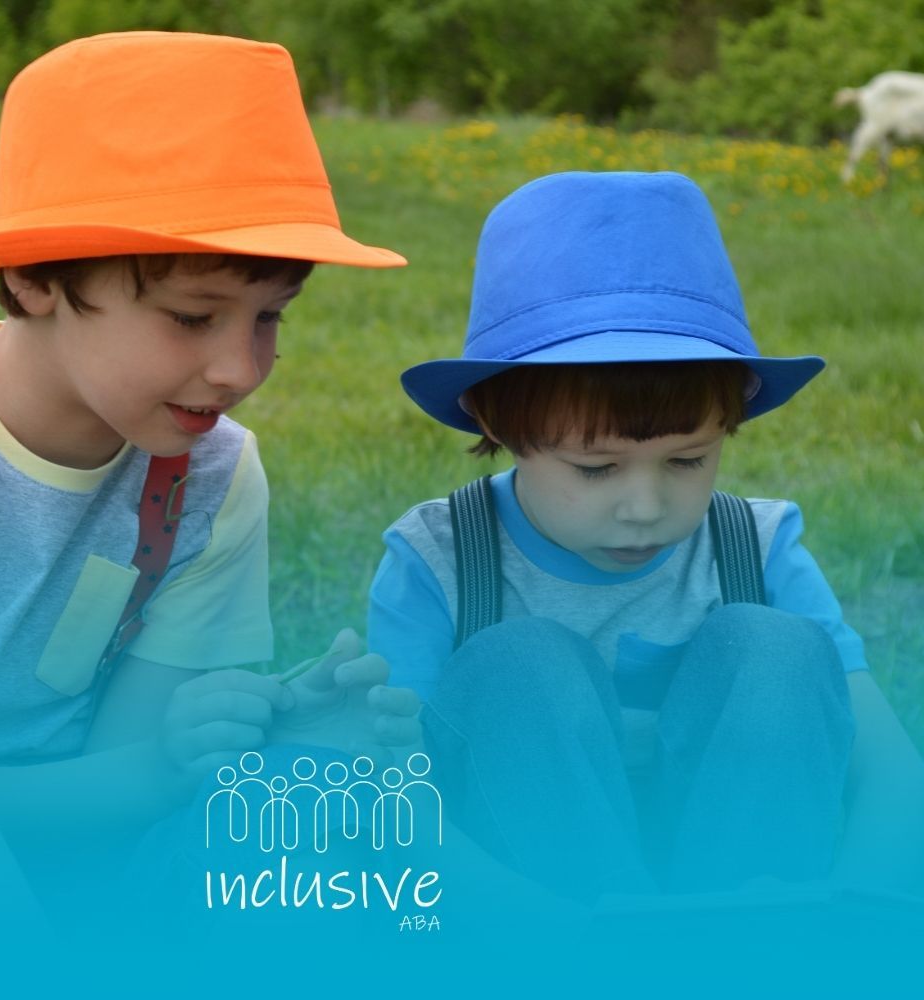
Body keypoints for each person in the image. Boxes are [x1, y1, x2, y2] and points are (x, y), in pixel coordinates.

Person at [0, 31, 420, 951]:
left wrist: (246, 741)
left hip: (77, 873)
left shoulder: (213, 477)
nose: (241, 368)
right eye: (193, 317)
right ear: (33, 276)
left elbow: (125, 784)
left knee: (301, 791)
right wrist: (153, 774)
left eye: (269, 319)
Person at [368, 171, 924, 905]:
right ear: (494, 420)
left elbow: (887, 767)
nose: (645, 507)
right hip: (537, 907)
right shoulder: (437, 560)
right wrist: (499, 905)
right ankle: (604, 948)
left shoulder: (757, 547)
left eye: (687, 460)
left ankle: (750, 943)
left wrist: (855, 897)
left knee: (778, 647)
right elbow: (391, 787)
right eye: (596, 468)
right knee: (516, 662)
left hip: (751, 898)